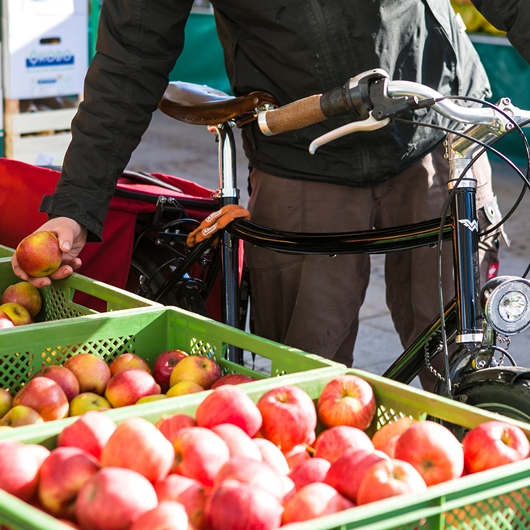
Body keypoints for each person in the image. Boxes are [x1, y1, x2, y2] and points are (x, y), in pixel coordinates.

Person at [12, 0, 502, 391]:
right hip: (301, 145)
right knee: (306, 377)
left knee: (462, 363)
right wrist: (75, 206)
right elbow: (130, 58)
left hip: (434, 114)